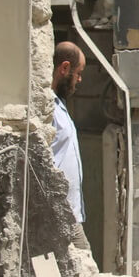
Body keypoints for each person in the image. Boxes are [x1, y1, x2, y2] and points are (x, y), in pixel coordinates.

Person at [51, 41, 91, 251]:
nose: (79, 79)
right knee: (84, 268)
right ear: (64, 68)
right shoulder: (46, 108)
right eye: (78, 73)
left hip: (70, 213)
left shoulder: (59, 105)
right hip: (60, 214)